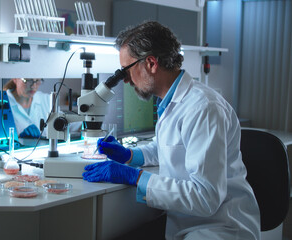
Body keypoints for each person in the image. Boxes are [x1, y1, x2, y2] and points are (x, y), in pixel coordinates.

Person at [82, 21, 261, 239]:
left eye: (126, 70)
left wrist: (136, 177)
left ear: (150, 63)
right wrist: (130, 155)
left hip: (219, 228)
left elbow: (206, 197)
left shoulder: (203, 108)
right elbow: (168, 148)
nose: (126, 80)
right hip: (187, 222)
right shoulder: (171, 102)